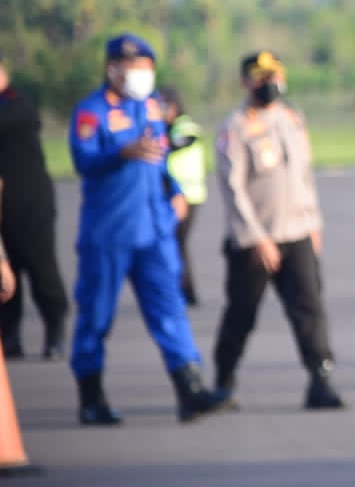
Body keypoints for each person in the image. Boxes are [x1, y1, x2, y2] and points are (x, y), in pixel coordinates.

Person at [66, 33, 231, 425]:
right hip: (110, 231)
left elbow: (158, 163)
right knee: (96, 315)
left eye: (147, 69)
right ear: (112, 69)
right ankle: (91, 397)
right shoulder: (92, 112)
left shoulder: (151, 109)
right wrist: (120, 152)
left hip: (153, 229)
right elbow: (82, 160)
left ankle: (190, 389)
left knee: (170, 308)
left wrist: (174, 191)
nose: (141, 76)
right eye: (133, 68)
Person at [211, 51, 344, 410]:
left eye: (273, 75)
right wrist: (256, 238)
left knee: (310, 308)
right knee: (241, 312)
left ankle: (320, 378)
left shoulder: (291, 119)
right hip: (256, 241)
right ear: (245, 81)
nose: (269, 83)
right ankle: (223, 380)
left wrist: (313, 221)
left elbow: (303, 176)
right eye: (260, 76)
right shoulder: (235, 127)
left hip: (297, 232)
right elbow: (232, 188)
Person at [0, 51, 69, 360]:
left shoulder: (17, 104)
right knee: (5, 277)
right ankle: (10, 336)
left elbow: (16, 120)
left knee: (43, 273)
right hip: (3, 210)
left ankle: (55, 332)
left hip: (32, 205)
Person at [158, 86, 209, 307]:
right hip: (173, 196)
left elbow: (182, 141)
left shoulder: (185, 126)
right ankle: (181, 290)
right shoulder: (165, 129)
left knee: (178, 243)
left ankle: (186, 291)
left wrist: (157, 144)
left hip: (188, 196)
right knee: (175, 243)